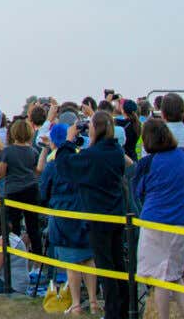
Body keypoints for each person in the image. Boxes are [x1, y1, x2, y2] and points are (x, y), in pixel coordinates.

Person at [56, 111, 132, 319]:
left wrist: (69, 140)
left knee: (106, 267)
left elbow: (64, 165)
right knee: (118, 265)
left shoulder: (94, 156)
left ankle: (114, 313)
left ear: (95, 129)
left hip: (99, 217)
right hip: (116, 214)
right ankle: (123, 309)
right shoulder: (115, 151)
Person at [39, 123, 100, 315]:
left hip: (63, 217)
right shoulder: (82, 160)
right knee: (89, 259)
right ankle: (93, 301)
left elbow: (42, 194)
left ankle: (76, 304)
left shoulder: (53, 165)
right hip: (84, 214)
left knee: (72, 264)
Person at [132, 118, 184, 319]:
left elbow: (138, 192)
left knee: (159, 278)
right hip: (181, 223)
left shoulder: (148, 163)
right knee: (174, 275)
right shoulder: (182, 156)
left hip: (155, 223)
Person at [0, 117, 43, 256]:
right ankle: (37, 258)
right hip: (31, 190)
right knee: (33, 226)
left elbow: (1, 174)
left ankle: (14, 255)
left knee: (13, 226)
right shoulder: (34, 151)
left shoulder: (8, 152)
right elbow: (36, 171)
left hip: (13, 191)